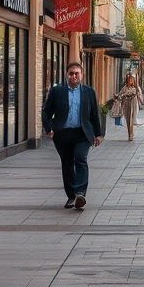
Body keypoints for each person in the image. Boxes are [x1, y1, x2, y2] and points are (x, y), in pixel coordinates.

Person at [41, 62, 102, 211]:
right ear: (67, 75)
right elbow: (46, 111)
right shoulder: (57, 91)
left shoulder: (89, 92)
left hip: (82, 133)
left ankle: (80, 193)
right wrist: (49, 127)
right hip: (62, 134)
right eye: (71, 73)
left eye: (77, 73)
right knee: (67, 164)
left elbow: (95, 114)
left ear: (82, 75)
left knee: (80, 158)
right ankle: (71, 196)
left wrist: (98, 134)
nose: (74, 76)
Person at [114, 74, 144, 141]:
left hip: (134, 104)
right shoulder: (124, 88)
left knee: (132, 118)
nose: (130, 80)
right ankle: (129, 134)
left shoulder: (136, 88)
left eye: (131, 79)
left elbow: (140, 96)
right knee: (128, 119)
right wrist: (117, 97)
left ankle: (131, 133)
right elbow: (120, 96)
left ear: (134, 80)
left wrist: (141, 102)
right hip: (126, 104)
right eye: (129, 79)